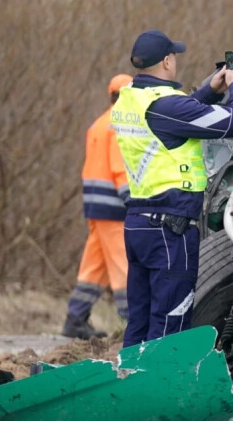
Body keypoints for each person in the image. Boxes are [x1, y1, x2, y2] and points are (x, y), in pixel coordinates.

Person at [112, 30, 233, 347]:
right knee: (169, 324)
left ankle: (132, 387)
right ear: (167, 61)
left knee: (140, 321)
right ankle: (159, 394)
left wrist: (209, 92)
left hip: (139, 226)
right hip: (169, 232)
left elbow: (174, 118)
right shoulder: (165, 108)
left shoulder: (130, 99)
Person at [63, 74, 134, 339]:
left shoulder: (99, 122)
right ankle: (133, 321)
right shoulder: (120, 122)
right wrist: (132, 200)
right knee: (123, 264)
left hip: (95, 203)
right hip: (113, 205)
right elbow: (119, 168)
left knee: (96, 265)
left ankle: (75, 317)